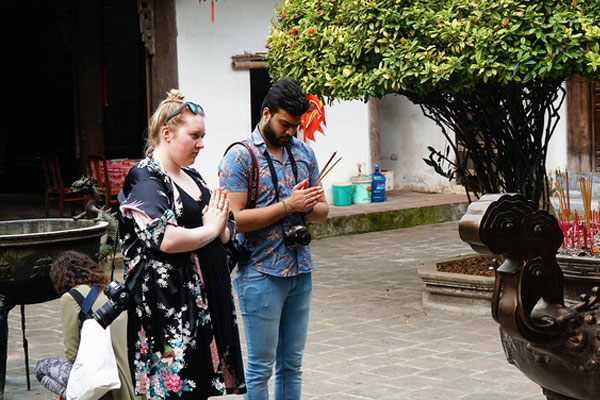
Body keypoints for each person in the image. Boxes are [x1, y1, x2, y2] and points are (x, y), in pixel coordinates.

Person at [118, 89, 246, 400]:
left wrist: (220, 229)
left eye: (203, 136)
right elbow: (163, 237)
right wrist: (211, 229)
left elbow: (224, 222)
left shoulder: (192, 176)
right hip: (170, 309)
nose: (201, 144)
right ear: (166, 133)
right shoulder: (146, 179)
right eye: (195, 135)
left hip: (205, 302)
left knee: (203, 390)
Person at [218, 78, 329, 400]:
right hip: (260, 272)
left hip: (301, 268)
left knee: (292, 364)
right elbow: (233, 219)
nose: (290, 132)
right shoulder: (240, 156)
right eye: (284, 124)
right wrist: (287, 206)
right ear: (266, 113)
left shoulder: (304, 152)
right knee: (260, 367)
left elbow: (323, 212)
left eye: (295, 126)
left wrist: (305, 208)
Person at [34, 250, 138, 400]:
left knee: (41, 367)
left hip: (106, 381)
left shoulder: (71, 297)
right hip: (132, 378)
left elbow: (72, 353)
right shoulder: (112, 289)